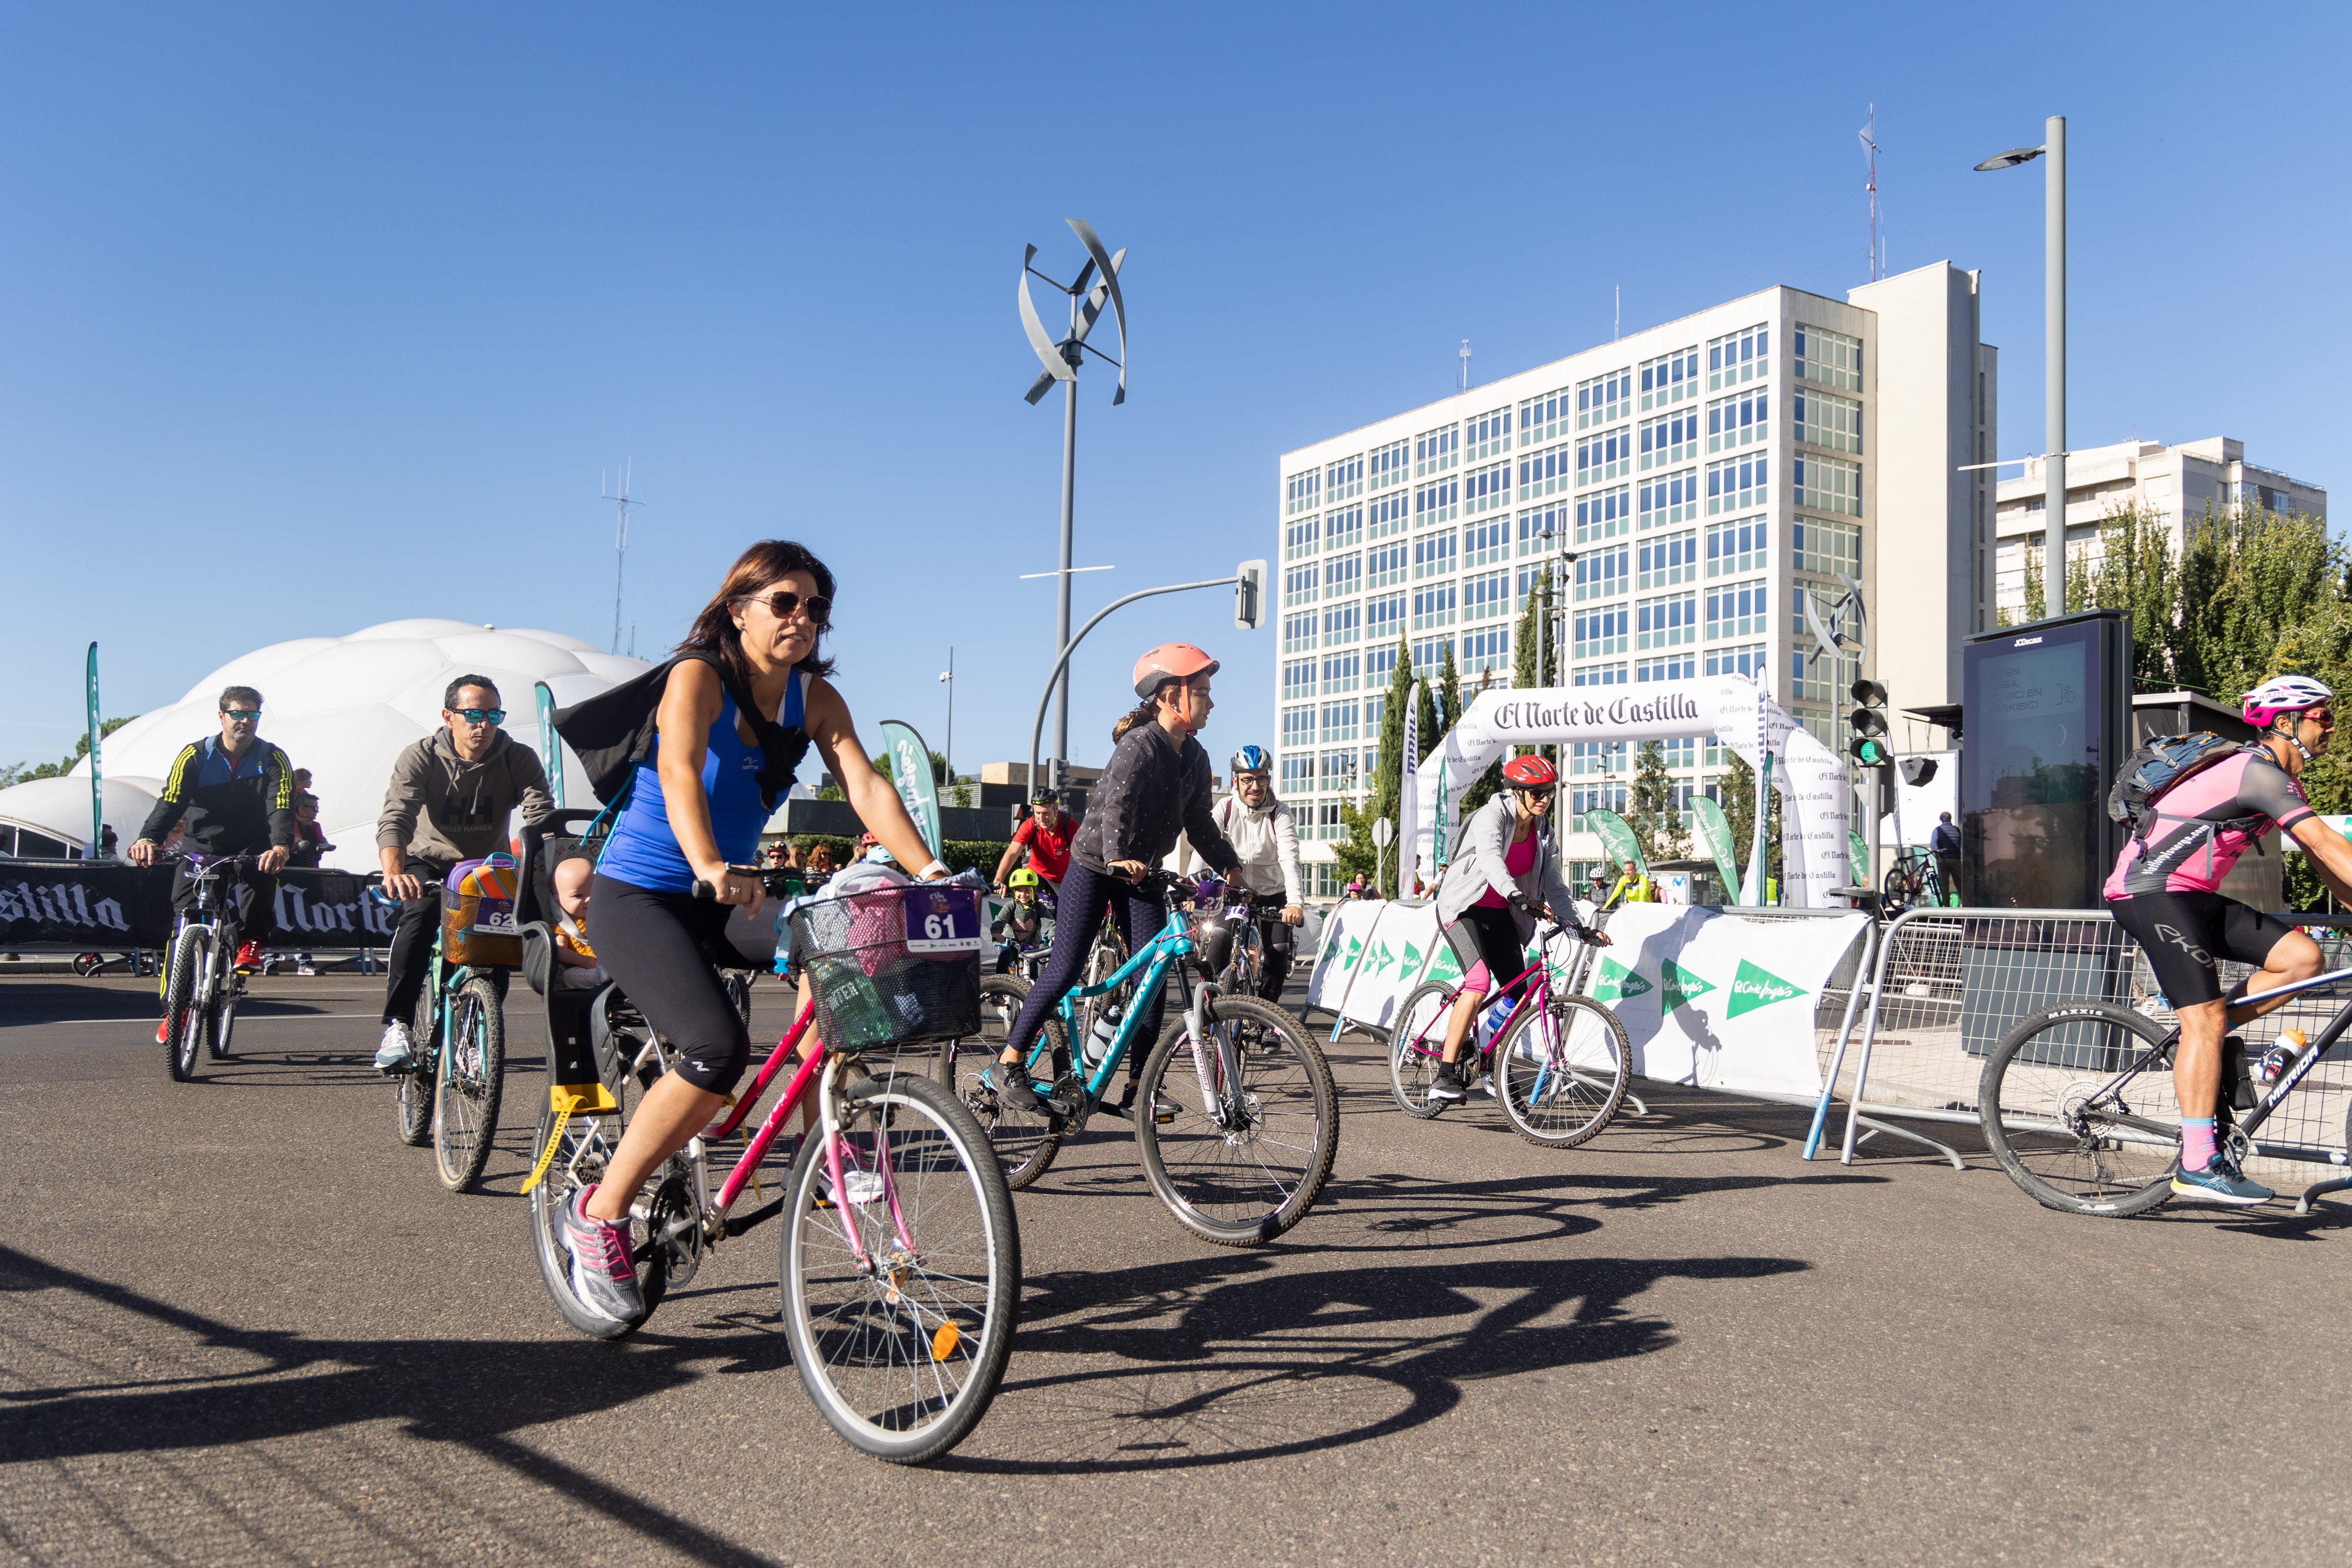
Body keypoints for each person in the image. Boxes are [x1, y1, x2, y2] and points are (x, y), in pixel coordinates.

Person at [557, 539, 943, 1325]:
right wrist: (705, 858)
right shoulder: (699, 675)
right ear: (740, 609)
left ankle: (824, 1156)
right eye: (785, 602)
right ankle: (597, 1211)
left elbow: (865, 785)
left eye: (815, 607)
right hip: (641, 893)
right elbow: (679, 766)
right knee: (715, 1050)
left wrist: (930, 870)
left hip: (726, 892)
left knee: (836, 960)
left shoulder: (816, 699)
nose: (803, 618)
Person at [2103, 674, 2352, 1205]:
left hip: (2192, 894)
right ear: (2286, 723)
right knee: (2206, 1018)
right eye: (2322, 716)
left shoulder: (2282, 779)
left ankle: (2204, 1037)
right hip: (2148, 891)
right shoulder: (2257, 771)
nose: (2330, 727)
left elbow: (2322, 860)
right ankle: (2196, 1163)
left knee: (2302, 957)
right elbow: (2327, 843)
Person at [991, 643, 1247, 1120]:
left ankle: (1138, 1084)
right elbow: (1117, 807)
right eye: (1204, 693)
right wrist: (1115, 855)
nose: (1211, 703)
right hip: (1095, 865)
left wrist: (1231, 867)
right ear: (1172, 698)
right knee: (1066, 966)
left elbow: (1199, 821)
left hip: (1141, 873)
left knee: (1152, 980)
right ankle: (1009, 1061)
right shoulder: (1140, 744)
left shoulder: (1195, 757)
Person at [371, 676, 554, 1072]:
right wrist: (394, 870)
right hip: (429, 862)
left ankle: (473, 1034)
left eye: (493, 715)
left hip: (487, 866)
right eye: (472, 714)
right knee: (418, 916)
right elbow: (397, 815)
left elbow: (540, 816)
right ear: (448, 716)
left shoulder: (516, 757)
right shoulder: (421, 755)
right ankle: (397, 1024)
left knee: (495, 945)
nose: (483, 724)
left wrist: (547, 864)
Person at [1424, 754, 1610, 1103]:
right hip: (1463, 908)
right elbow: (1491, 858)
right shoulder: (1491, 815)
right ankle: (1444, 1076)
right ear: (1517, 791)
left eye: (1549, 793)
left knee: (1517, 995)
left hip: (1502, 915)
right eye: (1536, 792)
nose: (1544, 799)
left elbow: (1555, 887)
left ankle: (1493, 1068)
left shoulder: (1543, 832)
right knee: (1478, 983)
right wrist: (1515, 894)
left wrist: (1579, 928)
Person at [128, 686, 297, 1031]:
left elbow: (281, 803)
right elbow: (172, 799)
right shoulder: (194, 755)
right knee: (184, 924)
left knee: (263, 872)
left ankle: (251, 941)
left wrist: (280, 845)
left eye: (252, 714)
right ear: (222, 716)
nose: (245, 721)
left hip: (254, 844)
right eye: (237, 713)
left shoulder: (273, 757)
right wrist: (148, 838)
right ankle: (175, 1010)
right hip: (203, 846)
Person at [1181, 744, 1305, 1001]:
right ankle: (1211, 1010)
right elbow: (1204, 848)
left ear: (1268, 780)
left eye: (1261, 779)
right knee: (1219, 942)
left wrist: (1295, 903)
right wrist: (1192, 891)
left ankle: (1266, 1022)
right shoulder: (1225, 809)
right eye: (1248, 779)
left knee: (1278, 954)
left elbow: (1289, 858)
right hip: (1234, 892)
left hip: (1272, 893)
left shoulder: (1279, 813)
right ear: (1235, 781)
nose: (1255, 786)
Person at [993, 788, 1076, 895]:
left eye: (1046, 813)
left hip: (1062, 880)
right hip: (1037, 876)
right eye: (1038, 813)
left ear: (1056, 808)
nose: (1042, 818)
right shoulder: (1030, 825)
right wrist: (999, 880)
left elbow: (1082, 858)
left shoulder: (1070, 827)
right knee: (1027, 902)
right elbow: (1012, 852)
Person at [549, 855, 608, 989]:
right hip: (581, 968)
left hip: (609, 963)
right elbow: (559, 950)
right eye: (578, 896)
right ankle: (601, 975)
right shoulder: (562, 925)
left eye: (593, 892)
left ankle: (611, 973)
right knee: (569, 976)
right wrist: (582, 960)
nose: (589, 899)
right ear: (557, 899)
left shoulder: (603, 916)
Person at [992, 867, 1048, 973]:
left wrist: (1053, 935)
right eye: (1019, 891)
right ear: (1015, 891)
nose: (1023, 895)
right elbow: (1000, 920)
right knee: (1004, 958)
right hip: (1012, 944)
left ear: (1033, 891)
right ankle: (999, 987)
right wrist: (996, 933)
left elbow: (1048, 922)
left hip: (1031, 945)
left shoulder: (1039, 907)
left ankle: (1033, 987)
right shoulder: (1011, 906)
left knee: (1033, 965)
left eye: (1027, 890)